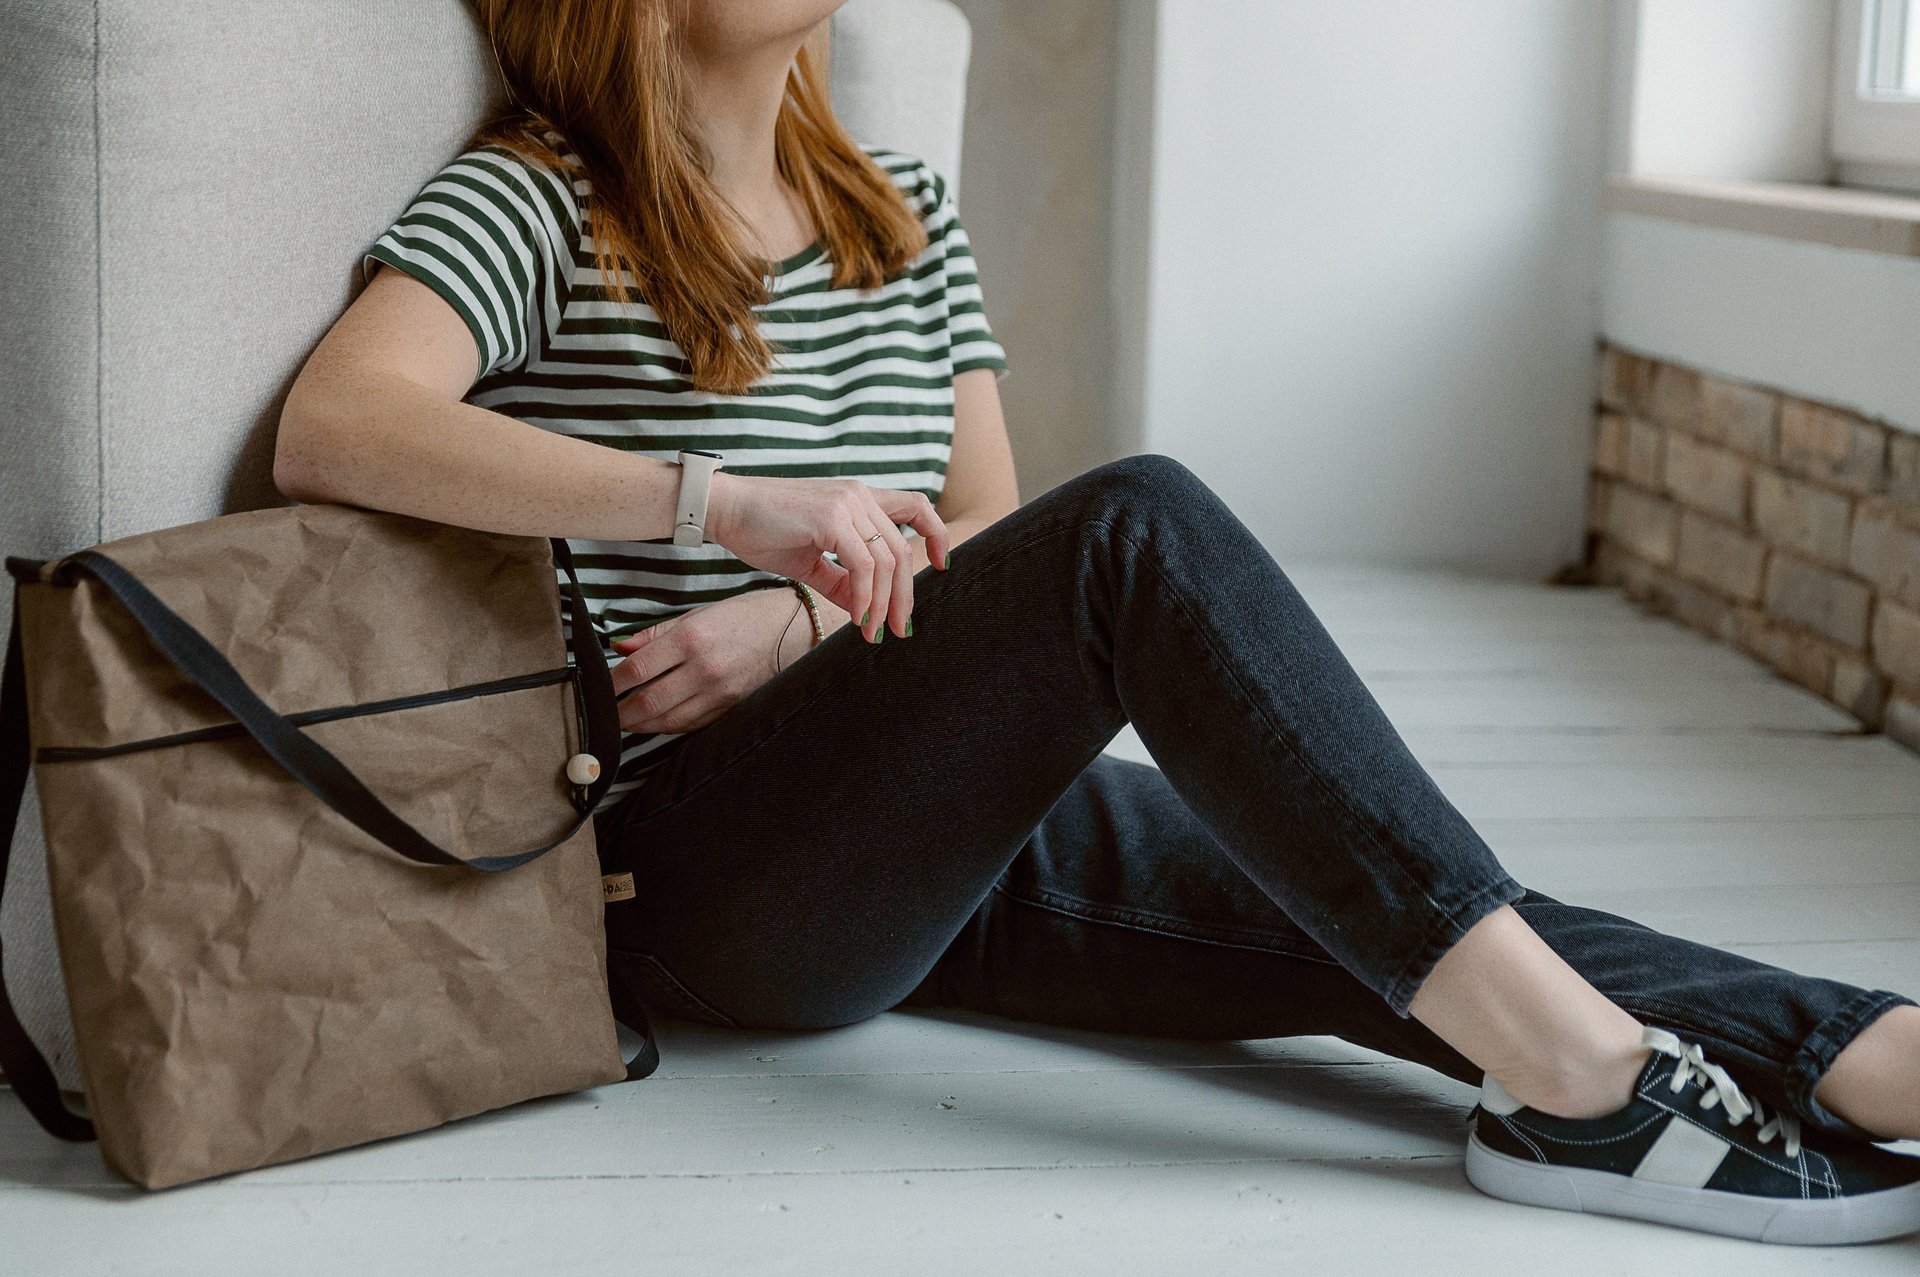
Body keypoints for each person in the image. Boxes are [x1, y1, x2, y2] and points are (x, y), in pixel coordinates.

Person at [274, 0, 1920, 1246]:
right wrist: (717, 505)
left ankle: (1861, 1053)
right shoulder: (546, 197)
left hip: (927, 821)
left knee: (1382, 899)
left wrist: (796, 622)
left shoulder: (899, 213)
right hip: (702, 865)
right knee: (1135, 528)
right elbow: (336, 423)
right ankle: (1592, 1098)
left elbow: (984, 527)